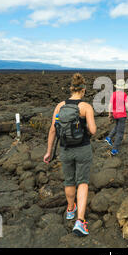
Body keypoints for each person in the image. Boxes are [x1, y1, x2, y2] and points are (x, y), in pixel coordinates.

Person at [43, 73, 96, 237]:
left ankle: (70, 209)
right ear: (84, 90)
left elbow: (53, 130)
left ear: (71, 89)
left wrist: (48, 151)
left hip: (65, 150)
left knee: (69, 180)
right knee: (83, 182)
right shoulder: (86, 107)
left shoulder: (60, 106)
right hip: (83, 149)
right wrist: (85, 128)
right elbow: (93, 130)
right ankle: (80, 221)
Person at [105, 79, 128, 156]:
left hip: (115, 115)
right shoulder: (124, 94)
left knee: (117, 126)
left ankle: (108, 138)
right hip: (122, 115)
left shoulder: (114, 94)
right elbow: (127, 106)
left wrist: (110, 114)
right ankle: (114, 149)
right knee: (120, 133)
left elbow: (110, 105)